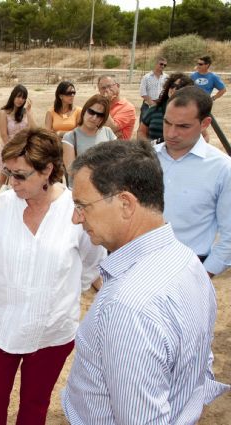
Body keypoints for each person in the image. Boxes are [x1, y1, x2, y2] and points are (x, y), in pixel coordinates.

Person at [62, 139, 229, 423]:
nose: (75, 218)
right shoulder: (187, 262)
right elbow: (199, 363)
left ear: (126, 204)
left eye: (82, 205)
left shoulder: (127, 307)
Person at [0, 128, 105, 425]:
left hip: (52, 333)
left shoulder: (75, 211)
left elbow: (91, 262)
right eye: (8, 172)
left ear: (47, 171)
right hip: (1, 330)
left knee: (35, 406)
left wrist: (58, 292)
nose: (11, 182)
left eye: (20, 175)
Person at [156, 86, 231, 277]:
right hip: (138, 263)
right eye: (167, 123)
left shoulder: (223, 168)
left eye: (183, 126)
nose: (171, 133)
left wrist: (202, 277)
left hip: (189, 268)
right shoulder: (146, 157)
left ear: (205, 123)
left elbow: (229, 236)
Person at [62, 94, 116, 177]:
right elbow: (71, 170)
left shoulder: (108, 132)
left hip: (105, 183)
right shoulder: (70, 137)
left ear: (103, 118)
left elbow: (117, 161)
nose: (94, 118)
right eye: (91, 112)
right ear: (84, 110)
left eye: (100, 115)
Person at [0, 84, 36, 191]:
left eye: (23, 98)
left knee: (20, 182)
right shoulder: (3, 113)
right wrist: (13, 152)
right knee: (3, 182)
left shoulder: (24, 113)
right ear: (13, 96)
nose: (20, 100)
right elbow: (4, 135)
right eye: (18, 96)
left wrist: (29, 113)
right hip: (8, 151)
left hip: (23, 152)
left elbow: (34, 130)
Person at [137, 72, 193, 142]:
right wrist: (148, 145)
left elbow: (203, 136)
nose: (174, 89)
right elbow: (141, 132)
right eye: (172, 86)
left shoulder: (192, 114)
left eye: (179, 87)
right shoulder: (154, 110)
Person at [97, 75, 136, 139]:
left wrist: (105, 103)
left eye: (109, 86)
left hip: (118, 145)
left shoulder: (128, 108)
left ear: (117, 86)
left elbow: (111, 128)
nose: (106, 90)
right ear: (99, 91)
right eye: (103, 88)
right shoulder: (97, 106)